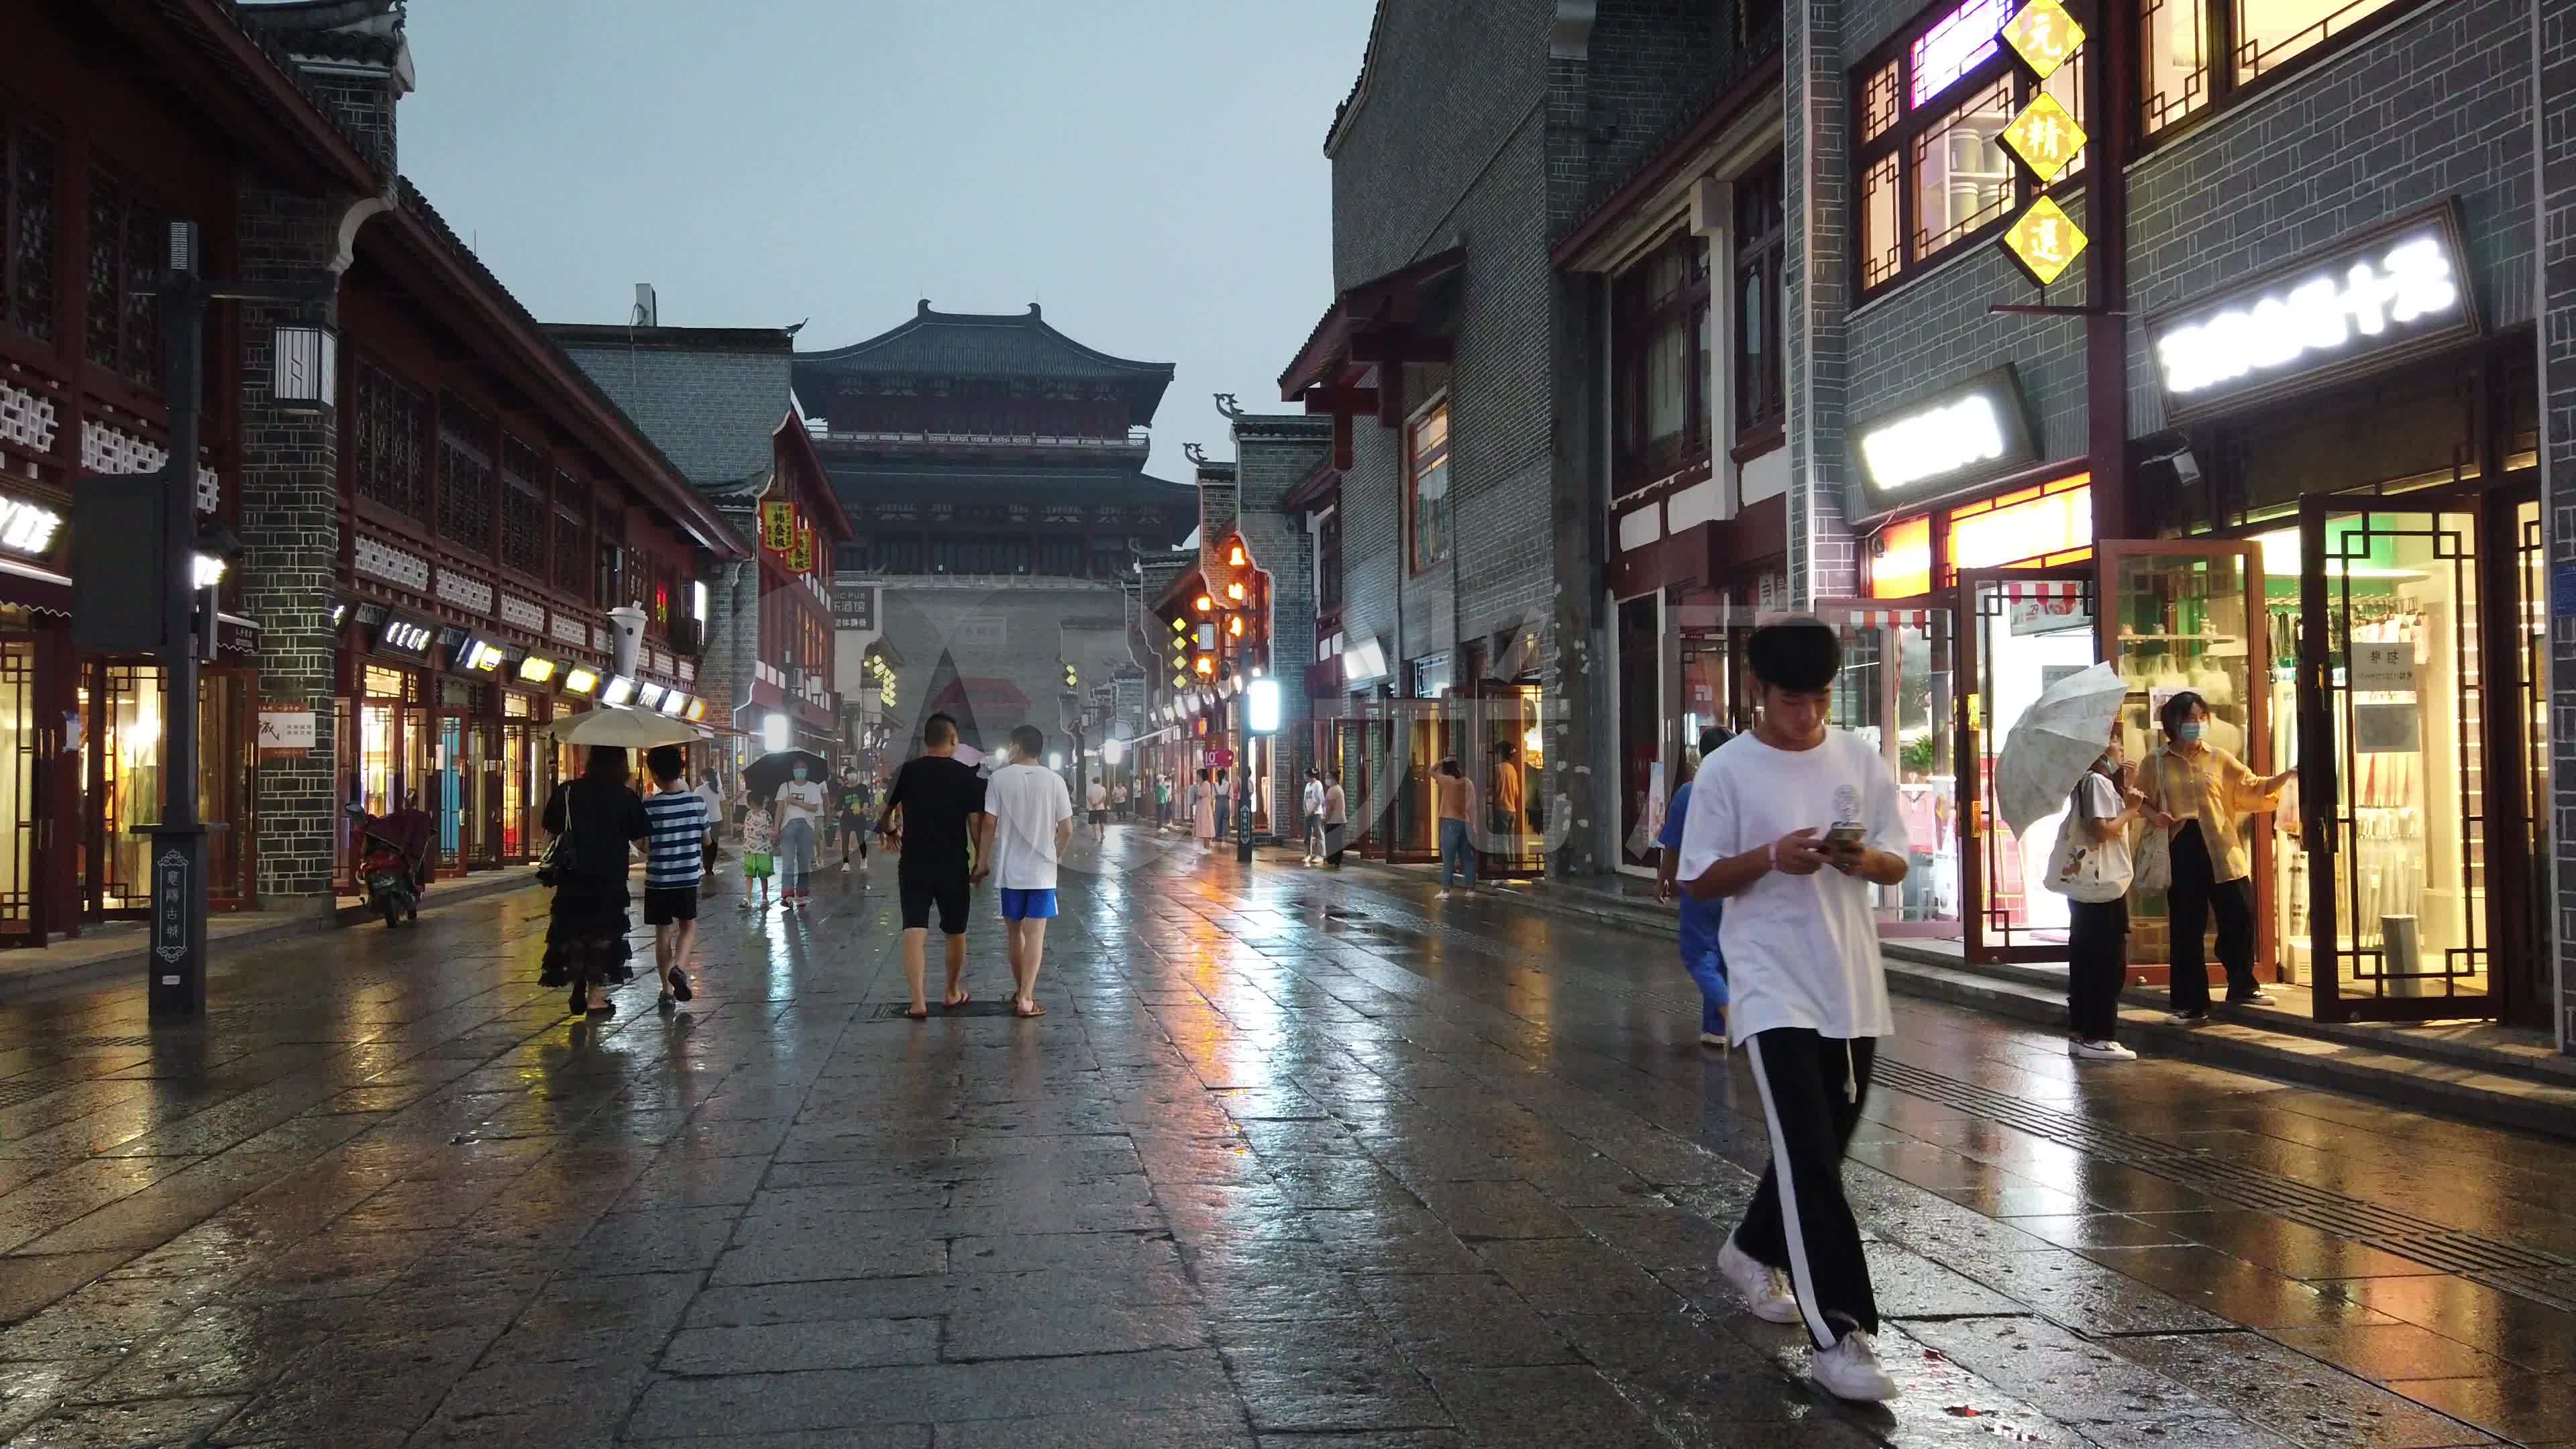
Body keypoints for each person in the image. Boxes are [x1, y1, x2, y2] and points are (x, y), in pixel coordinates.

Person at [1676, 616, 1910, 1404]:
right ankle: (1841, 1333)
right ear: (1759, 692)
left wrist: (1859, 857)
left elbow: (1895, 855)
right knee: (1811, 1158)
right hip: (1772, 984)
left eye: (1816, 700)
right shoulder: (1728, 772)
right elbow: (1699, 878)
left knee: (1827, 1145)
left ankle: (1748, 1248)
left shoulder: (1860, 758)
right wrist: (1771, 857)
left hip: (1852, 984)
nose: (1805, 716)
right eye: (1788, 701)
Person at [2139, 690, 2290, 1023]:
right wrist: (2156, 816)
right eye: (2188, 719)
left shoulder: (2218, 758)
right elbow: (2139, 799)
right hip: (2182, 843)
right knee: (2187, 926)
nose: (2196, 725)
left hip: (2221, 843)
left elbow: (2251, 787)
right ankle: (2190, 1004)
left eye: (2200, 718)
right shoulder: (2156, 762)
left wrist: (2287, 776)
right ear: (2173, 724)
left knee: (2240, 912)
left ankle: (2242, 983)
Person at [878, 712, 989, 1019]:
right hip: (953, 864)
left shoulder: (906, 772)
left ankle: (917, 1001)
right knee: (956, 931)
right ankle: (952, 992)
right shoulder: (967, 777)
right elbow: (975, 824)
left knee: (914, 929)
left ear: (927, 740)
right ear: (953, 740)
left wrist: (890, 831)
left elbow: (883, 811)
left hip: (914, 862)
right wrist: (981, 861)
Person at [539, 745, 650, 1017]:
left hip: (572, 875)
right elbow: (642, 841)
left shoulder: (567, 792)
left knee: (574, 930)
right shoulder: (625, 797)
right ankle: (595, 997)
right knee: (603, 935)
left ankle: (576, 982)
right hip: (608, 878)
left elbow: (549, 834)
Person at [2063, 718, 2144, 1060]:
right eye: (2112, 738)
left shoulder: (2088, 780)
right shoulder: (2096, 781)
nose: (2119, 744)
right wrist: (2130, 810)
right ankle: (2100, 1035)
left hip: (2089, 885)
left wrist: (2126, 791)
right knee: (2107, 959)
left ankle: (2082, 1032)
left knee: (2085, 957)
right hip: (2102, 885)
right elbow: (2101, 830)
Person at [980, 724, 1073, 1019]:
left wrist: (982, 861)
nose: (1008, 751)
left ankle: (1021, 991)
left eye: (1010, 746)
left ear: (1018, 747)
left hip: (1011, 871)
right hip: (1042, 872)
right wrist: (1056, 855)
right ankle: (1026, 998)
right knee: (1036, 935)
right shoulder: (1055, 781)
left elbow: (988, 824)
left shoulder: (998, 779)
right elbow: (1067, 829)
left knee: (1014, 933)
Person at [1656, 725, 1733, 1048]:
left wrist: (1664, 877)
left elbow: (1672, 845)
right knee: (1724, 957)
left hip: (1700, 885)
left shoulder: (1689, 792)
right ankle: (1714, 1029)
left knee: (1699, 955)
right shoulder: (1738, 793)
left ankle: (1736, 1016)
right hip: (1734, 884)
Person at [642, 745, 710, 1012]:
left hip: (658, 879)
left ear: (655, 775)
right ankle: (679, 968)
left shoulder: (650, 806)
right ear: (681, 771)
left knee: (662, 932)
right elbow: (707, 840)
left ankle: (666, 991)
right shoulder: (696, 802)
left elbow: (646, 846)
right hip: (686, 877)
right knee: (688, 926)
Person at [773, 763, 827, 911]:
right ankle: (787, 894)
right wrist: (776, 829)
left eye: (803, 769)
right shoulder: (785, 787)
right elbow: (779, 808)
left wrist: (796, 802)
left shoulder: (814, 787)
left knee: (804, 861)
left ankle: (802, 893)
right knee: (788, 861)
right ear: (793, 771)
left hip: (807, 827)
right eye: (797, 769)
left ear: (807, 771)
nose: (800, 771)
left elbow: (815, 808)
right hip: (788, 827)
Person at [1433, 757, 1476, 897]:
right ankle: (1471, 890)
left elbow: (1430, 771)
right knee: (1467, 858)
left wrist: (1442, 761)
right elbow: (1472, 806)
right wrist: (1474, 824)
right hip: (1466, 822)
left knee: (1448, 857)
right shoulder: (1467, 782)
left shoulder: (1448, 781)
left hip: (1451, 823)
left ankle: (1446, 890)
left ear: (1446, 770)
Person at [737, 799, 775, 911]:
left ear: (753, 802)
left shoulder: (766, 815)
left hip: (763, 850)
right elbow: (746, 828)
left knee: (763, 876)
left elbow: (770, 829)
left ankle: (764, 898)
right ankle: (748, 898)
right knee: (749, 875)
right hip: (749, 849)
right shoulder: (748, 814)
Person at [693, 769, 726, 894]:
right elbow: (723, 803)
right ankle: (709, 867)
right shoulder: (718, 788)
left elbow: (695, 805)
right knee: (714, 844)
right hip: (717, 818)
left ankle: (704, 865)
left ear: (704, 777)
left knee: (703, 843)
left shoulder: (699, 790)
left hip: (703, 819)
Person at [835, 766, 873, 875]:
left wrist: (863, 810)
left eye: (853, 773)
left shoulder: (862, 788)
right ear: (846, 776)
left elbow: (866, 801)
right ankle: (846, 863)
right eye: (849, 773)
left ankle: (864, 859)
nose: (852, 775)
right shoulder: (843, 790)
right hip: (846, 819)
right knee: (845, 841)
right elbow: (838, 806)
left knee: (861, 839)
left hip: (859, 818)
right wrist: (841, 813)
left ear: (856, 774)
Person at [1491, 740, 1527, 846]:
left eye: (1496, 753)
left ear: (1500, 753)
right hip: (1512, 811)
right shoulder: (1513, 770)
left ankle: (1506, 863)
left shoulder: (1497, 769)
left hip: (1501, 810)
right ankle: (1512, 863)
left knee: (1503, 843)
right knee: (1511, 843)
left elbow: (1495, 789)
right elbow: (1517, 793)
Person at [1301, 768, 1328, 865]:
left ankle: (1321, 855)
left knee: (1318, 834)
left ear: (1310, 776)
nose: (1304, 777)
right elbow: (1305, 800)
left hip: (1316, 813)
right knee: (1307, 835)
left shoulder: (1318, 784)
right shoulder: (1307, 785)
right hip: (1308, 813)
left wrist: (1312, 811)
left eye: (1305, 775)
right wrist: (1306, 811)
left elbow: (1319, 800)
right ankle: (1308, 854)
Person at [1323, 769, 1348, 869]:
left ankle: (1333, 862)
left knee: (1331, 842)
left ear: (1333, 779)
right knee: (1336, 842)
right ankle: (1336, 862)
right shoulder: (1338, 788)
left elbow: (1330, 807)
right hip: (1339, 820)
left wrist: (1326, 819)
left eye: (1328, 777)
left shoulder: (1333, 790)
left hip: (1334, 820)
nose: (1326, 779)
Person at [1192, 769, 1216, 843]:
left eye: (1198, 776)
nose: (1197, 778)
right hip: (1202, 805)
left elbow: (1200, 795)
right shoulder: (1202, 784)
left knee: (1205, 822)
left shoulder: (1206, 783)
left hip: (1204, 806)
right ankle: (1205, 843)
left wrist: (1196, 791)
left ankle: (1207, 843)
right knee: (1203, 822)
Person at [1085, 775, 1110, 843]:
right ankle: (1102, 834)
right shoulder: (1103, 788)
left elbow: (1088, 797)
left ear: (1093, 781)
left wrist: (1093, 804)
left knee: (1094, 822)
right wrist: (1098, 804)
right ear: (1099, 781)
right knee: (1102, 822)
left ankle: (1095, 835)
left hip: (1093, 809)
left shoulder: (1090, 788)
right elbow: (1104, 798)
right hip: (1101, 808)